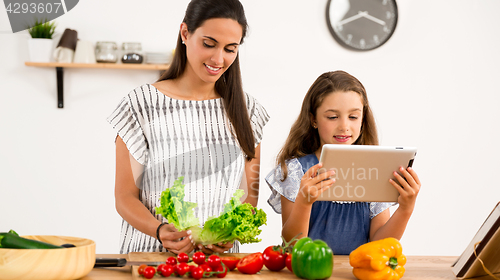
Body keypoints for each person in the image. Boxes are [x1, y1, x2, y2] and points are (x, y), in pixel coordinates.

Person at [107, 0, 269, 255]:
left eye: (230, 49)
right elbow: (125, 196)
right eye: (209, 44)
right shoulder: (140, 104)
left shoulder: (248, 110)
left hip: (221, 264)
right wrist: (160, 230)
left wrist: (230, 232)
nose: (218, 58)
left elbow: (249, 196)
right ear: (185, 33)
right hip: (151, 259)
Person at [265, 70, 420, 255]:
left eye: (353, 117)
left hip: (357, 277)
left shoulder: (376, 171)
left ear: (362, 120)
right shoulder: (295, 170)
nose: (344, 126)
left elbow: (380, 246)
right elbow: (291, 246)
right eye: (332, 117)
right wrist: (304, 203)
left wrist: (405, 209)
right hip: (308, 274)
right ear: (313, 119)